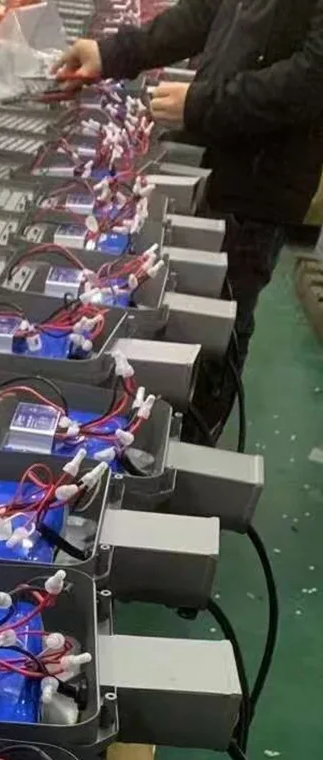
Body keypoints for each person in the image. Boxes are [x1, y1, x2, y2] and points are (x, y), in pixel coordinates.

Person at [55, 0, 323, 435]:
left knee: (222, 320)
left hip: (261, 179)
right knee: (186, 304)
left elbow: (311, 81)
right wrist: (112, 54)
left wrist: (200, 105)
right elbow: (206, 11)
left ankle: (196, 440)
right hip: (217, 150)